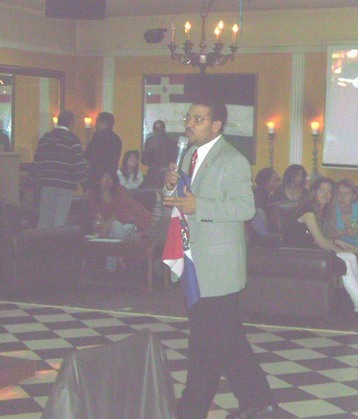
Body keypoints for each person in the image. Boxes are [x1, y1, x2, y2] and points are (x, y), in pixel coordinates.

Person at [163, 99, 277, 419]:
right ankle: (251, 401)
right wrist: (169, 186)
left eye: (198, 119)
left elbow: (245, 208)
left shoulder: (233, 160)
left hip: (219, 266)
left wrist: (199, 205)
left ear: (216, 126)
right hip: (193, 262)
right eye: (189, 117)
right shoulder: (188, 155)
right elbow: (179, 202)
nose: (189, 123)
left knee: (213, 341)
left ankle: (201, 407)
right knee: (215, 340)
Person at [283, 177, 358, 323]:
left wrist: (338, 242)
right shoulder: (309, 212)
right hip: (297, 253)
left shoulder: (320, 210)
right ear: (314, 192)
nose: (326, 194)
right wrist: (339, 248)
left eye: (329, 191)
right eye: (322, 190)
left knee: (350, 257)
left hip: (310, 250)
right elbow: (321, 241)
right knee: (346, 260)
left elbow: (320, 239)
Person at [28, 110, 87, 229]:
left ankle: (42, 240)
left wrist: (29, 183)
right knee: (60, 219)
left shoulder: (45, 139)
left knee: (45, 218)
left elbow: (37, 163)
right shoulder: (73, 140)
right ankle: (56, 240)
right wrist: (85, 186)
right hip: (65, 184)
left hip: (47, 183)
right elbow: (79, 165)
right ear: (71, 123)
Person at [87, 170, 151, 272]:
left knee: (116, 225)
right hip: (113, 228)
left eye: (110, 178)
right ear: (99, 180)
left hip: (128, 221)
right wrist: (100, 221)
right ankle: (120, 260)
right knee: (117, 227)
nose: (107, 181)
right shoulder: (93, 193)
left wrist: (105, 226)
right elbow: (94, 211)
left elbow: (119, 212)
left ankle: (111, 267)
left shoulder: (120, 190)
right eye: (104, 178)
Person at [84, 112, 122, 187]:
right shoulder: (117, 139)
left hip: (97, 175)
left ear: (103, 122)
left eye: (97, 122)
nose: (96, 125)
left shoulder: (98, 136)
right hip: (111, 175)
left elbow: (88, 155)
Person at [141, 120, 177, 188]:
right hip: (168, 174)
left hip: (153, 174)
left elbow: (144, 161)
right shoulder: (172, 142)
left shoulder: (150, 141)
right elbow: (175, 161)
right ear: (164, 129)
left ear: (153, 130)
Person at [250, 167, 281, 239]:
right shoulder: (257, 194)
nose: (277, 183)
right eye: (274, 180)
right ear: (266, 181)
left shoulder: (274, 193)